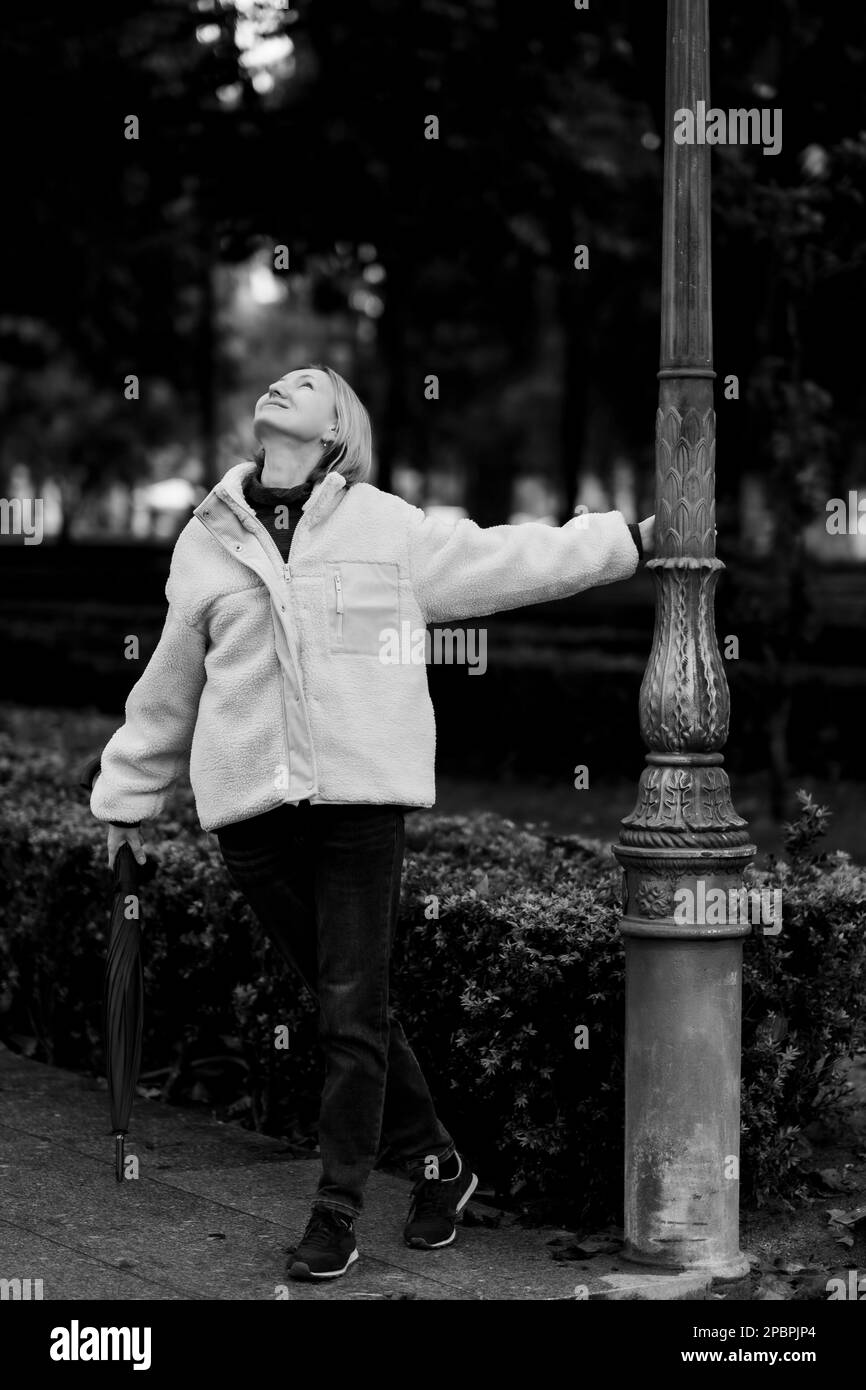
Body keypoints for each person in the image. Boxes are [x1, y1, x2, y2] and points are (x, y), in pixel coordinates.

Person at [91, 363, 654, 1280]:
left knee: (350, 1014)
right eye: (275, 379)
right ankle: (442, 1165)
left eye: (305, 382)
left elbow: (507, 559)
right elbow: (169, 681)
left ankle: (337, 1208)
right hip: (251, 815)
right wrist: (127, 794)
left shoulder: (387, 526)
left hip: (360, 802)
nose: (281, 385)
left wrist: (624, 539)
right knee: (349, 1008)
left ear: (337, 430)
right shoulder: (204, 539)